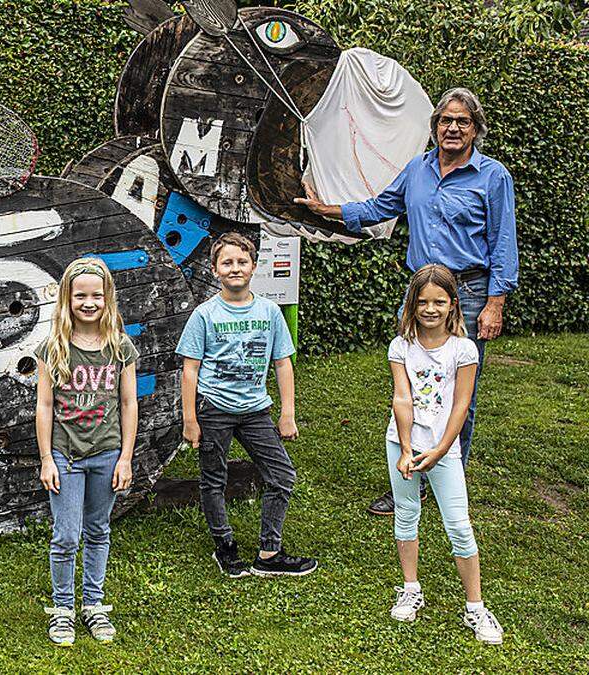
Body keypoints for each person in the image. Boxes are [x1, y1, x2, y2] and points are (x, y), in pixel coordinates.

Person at [294, 87, 519, 516]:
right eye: (445, 121)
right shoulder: (417, 169)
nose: (452, 128)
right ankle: (409, 476)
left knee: (456, 392)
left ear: (475, 129)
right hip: (418, 293)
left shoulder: (493, 177)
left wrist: (495, 304)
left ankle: (446, 477)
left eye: (462, 121)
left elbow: (503, 242)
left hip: (467, 294)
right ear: (434, 127)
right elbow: (382, 206)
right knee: (411, 384)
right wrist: (328, 210)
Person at [178, 232, 318, 579]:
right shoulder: (204, 315)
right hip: (214, 409)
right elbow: (190, 369)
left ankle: (269, 552)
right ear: (214, 269)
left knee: (282, 476)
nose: (235, 268)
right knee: (213, 479)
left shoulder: (269, 312)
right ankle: (224, 546)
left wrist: (287, 414)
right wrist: (190, 419)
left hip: (256, 410)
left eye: (242, 262)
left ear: (254, 266)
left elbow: (282, 363)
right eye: (227, 262)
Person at [383, 264, 503, 645]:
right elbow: (402, 397)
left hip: (444, 449)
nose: (430, 309)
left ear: (453, 304)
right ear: (412, 305)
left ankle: (476, 608)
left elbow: (461, 406)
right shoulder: (400, 346)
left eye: (439, 301)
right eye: (422, 302)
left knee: (459, 527)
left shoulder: (464, 350)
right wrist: (405, 449)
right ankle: (410, 588)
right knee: (406, 516)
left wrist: (439, 450)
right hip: (401, 444)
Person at [34, 257, 138, 646]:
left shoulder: (119, 347)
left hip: (108, 452)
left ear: (108, 298)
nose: (89, 302)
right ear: (68, 298)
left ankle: (93, 604)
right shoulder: (53, 348)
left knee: (98, 530)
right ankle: (62, 609)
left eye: (97, 295)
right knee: (65, 535)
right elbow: (44, 406)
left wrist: (126, 456)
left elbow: (128, 403)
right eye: (81, 295)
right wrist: (46, 458)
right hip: (65, 454)